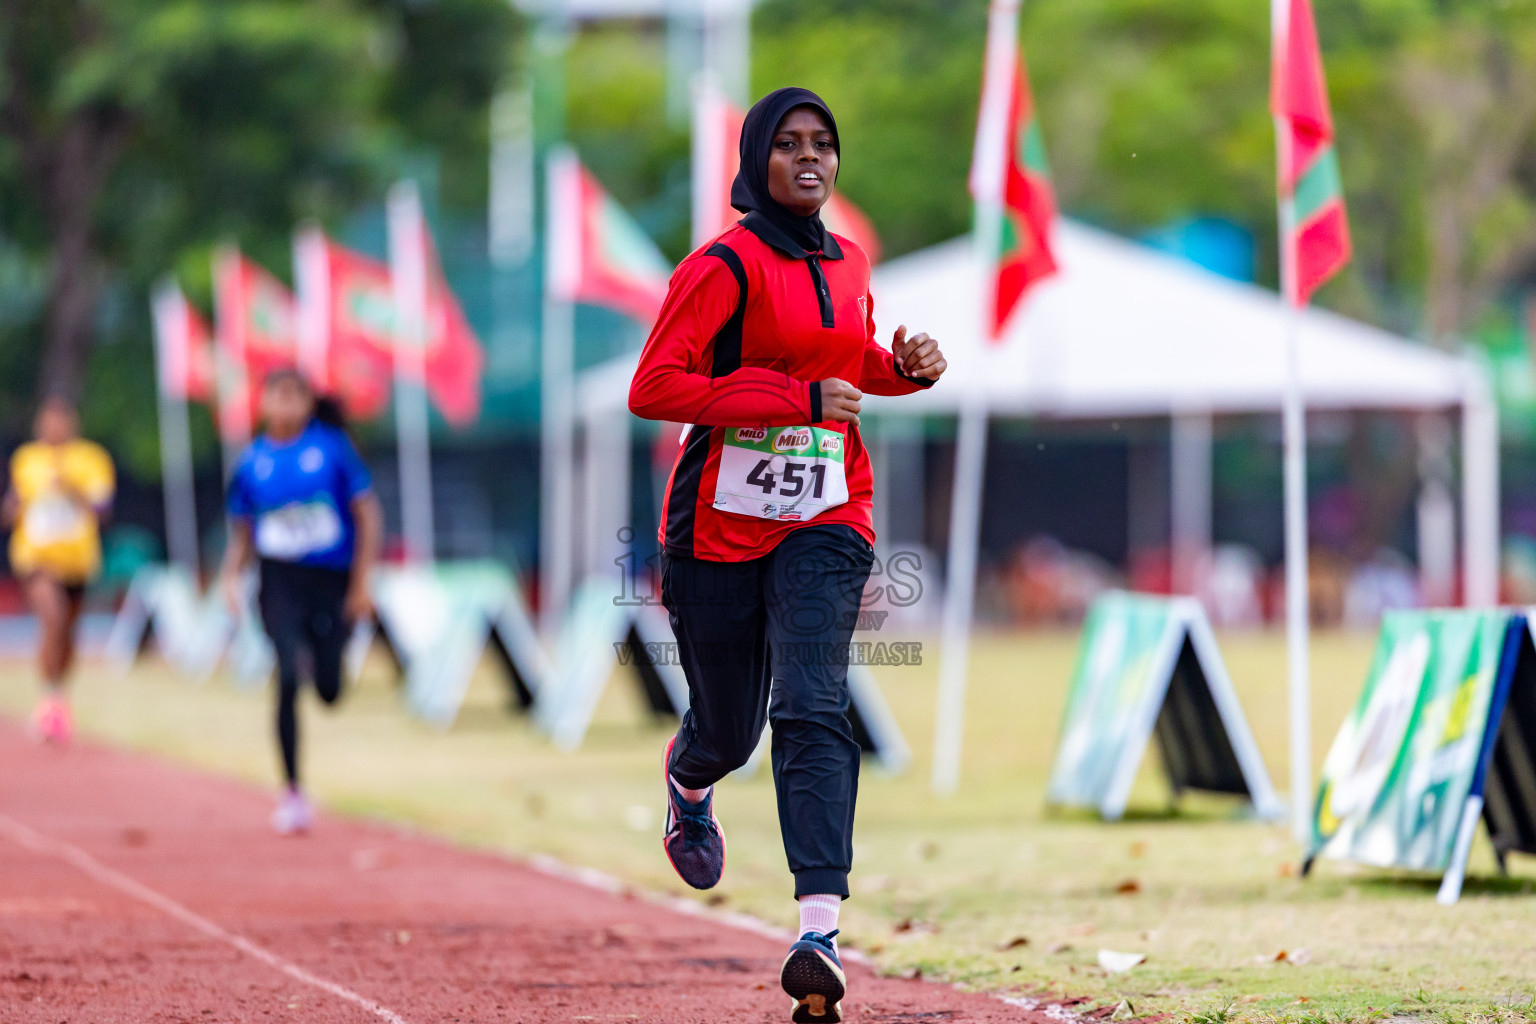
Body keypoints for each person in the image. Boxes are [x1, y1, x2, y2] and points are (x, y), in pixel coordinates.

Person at [628, 87, 947, 1023]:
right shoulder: (722, 265)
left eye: (825, 144)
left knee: (813, 701)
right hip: (716, 531)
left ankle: (818, 931)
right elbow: (657, 388)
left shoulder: (847, 261)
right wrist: (787, 403)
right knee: (732, 732)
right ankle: (690, 781)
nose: (811, 159)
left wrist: (903, 368)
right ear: (757, 159)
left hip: (829, 515)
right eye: (790, 145)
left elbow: (844, 368)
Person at [219, 368, 381, 835]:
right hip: (279, 582)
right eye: (278, 396)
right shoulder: (253, 461)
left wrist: (361, 582)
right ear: (264, 402)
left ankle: (327, 667)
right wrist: (231, 579)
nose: (286, 405)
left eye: (295, 396)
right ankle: (292, 790)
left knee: (328, 690)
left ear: (308, 403)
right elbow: (243, 532)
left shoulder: (332, 450)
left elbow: (367, 514)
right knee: (287, 675)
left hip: (330, 579)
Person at [4, 398, 115, 745]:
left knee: (68, 631)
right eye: (47, 420)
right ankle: (49, 698)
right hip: (35, 558)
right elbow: (15, 502)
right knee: (52, 616)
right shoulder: (27, 460)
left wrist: (72, 489)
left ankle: (58, 694)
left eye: (60, 420)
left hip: (77, 560)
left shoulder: (91, 459)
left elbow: (103, 509)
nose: (54, 427)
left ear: (72, 423)